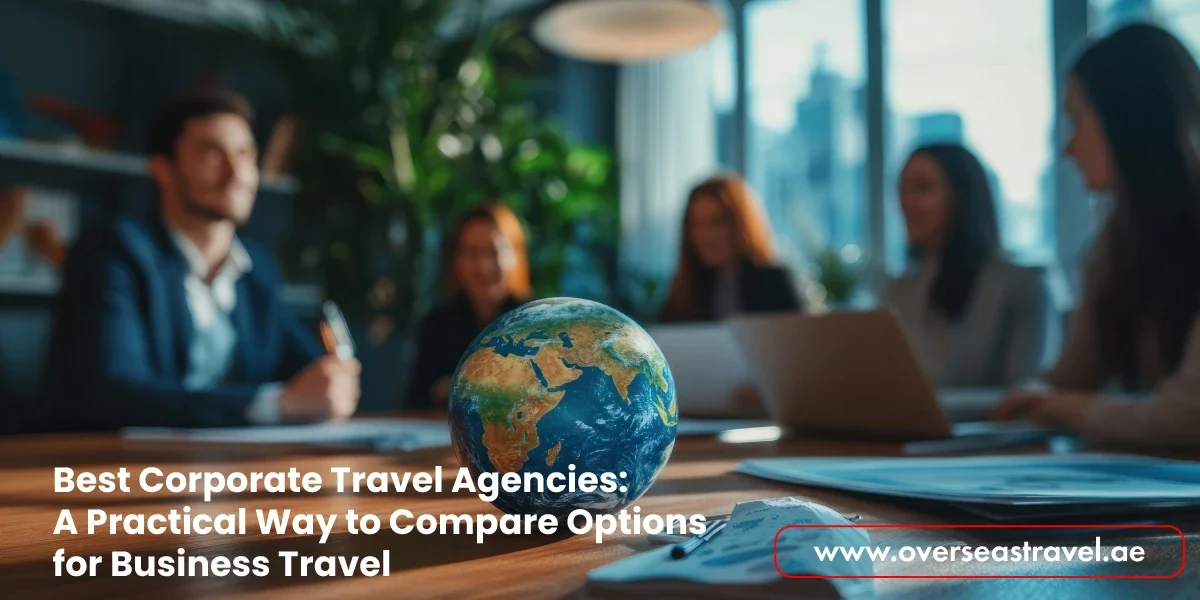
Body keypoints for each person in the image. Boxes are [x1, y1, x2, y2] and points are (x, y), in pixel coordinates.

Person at [41, 90, 360, 430]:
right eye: (212, 154)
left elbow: (305, 364)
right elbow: (115, 392)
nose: (237, 172)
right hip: (109, 459)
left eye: (245, 153)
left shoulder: (257, 267)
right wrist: (277, 404)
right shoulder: (114, 253)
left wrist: (332, 382)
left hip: (227, 459)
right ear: (163, 170)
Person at [993, 24, 1200, 447]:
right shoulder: (1119, 242)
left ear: (1128, 119)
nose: (1068, 149)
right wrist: (1039, 397)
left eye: (1077, 121)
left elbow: (1188, 416)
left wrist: (1060, 407)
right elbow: (1071, 378)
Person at [883, 144, 1057, 387]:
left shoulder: (1022, 284)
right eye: (902, 190)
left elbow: (1024, 393)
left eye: (922, 188)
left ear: (962, 196)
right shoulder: (900, 288)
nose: (906, 202)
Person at [408, 202, 531, 407]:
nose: (483, 266)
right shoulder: (436, 325)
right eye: (472, 253)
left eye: (494, 252)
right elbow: (415, 401)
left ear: (516, 256)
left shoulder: (536, 323)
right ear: (456, 260)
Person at [660, 174, 802, 323]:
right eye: (697, 224)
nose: (706, 235)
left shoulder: (774, 282)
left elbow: (800, 334)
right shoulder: (683, 292)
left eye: (716, 222)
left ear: (740, 225)